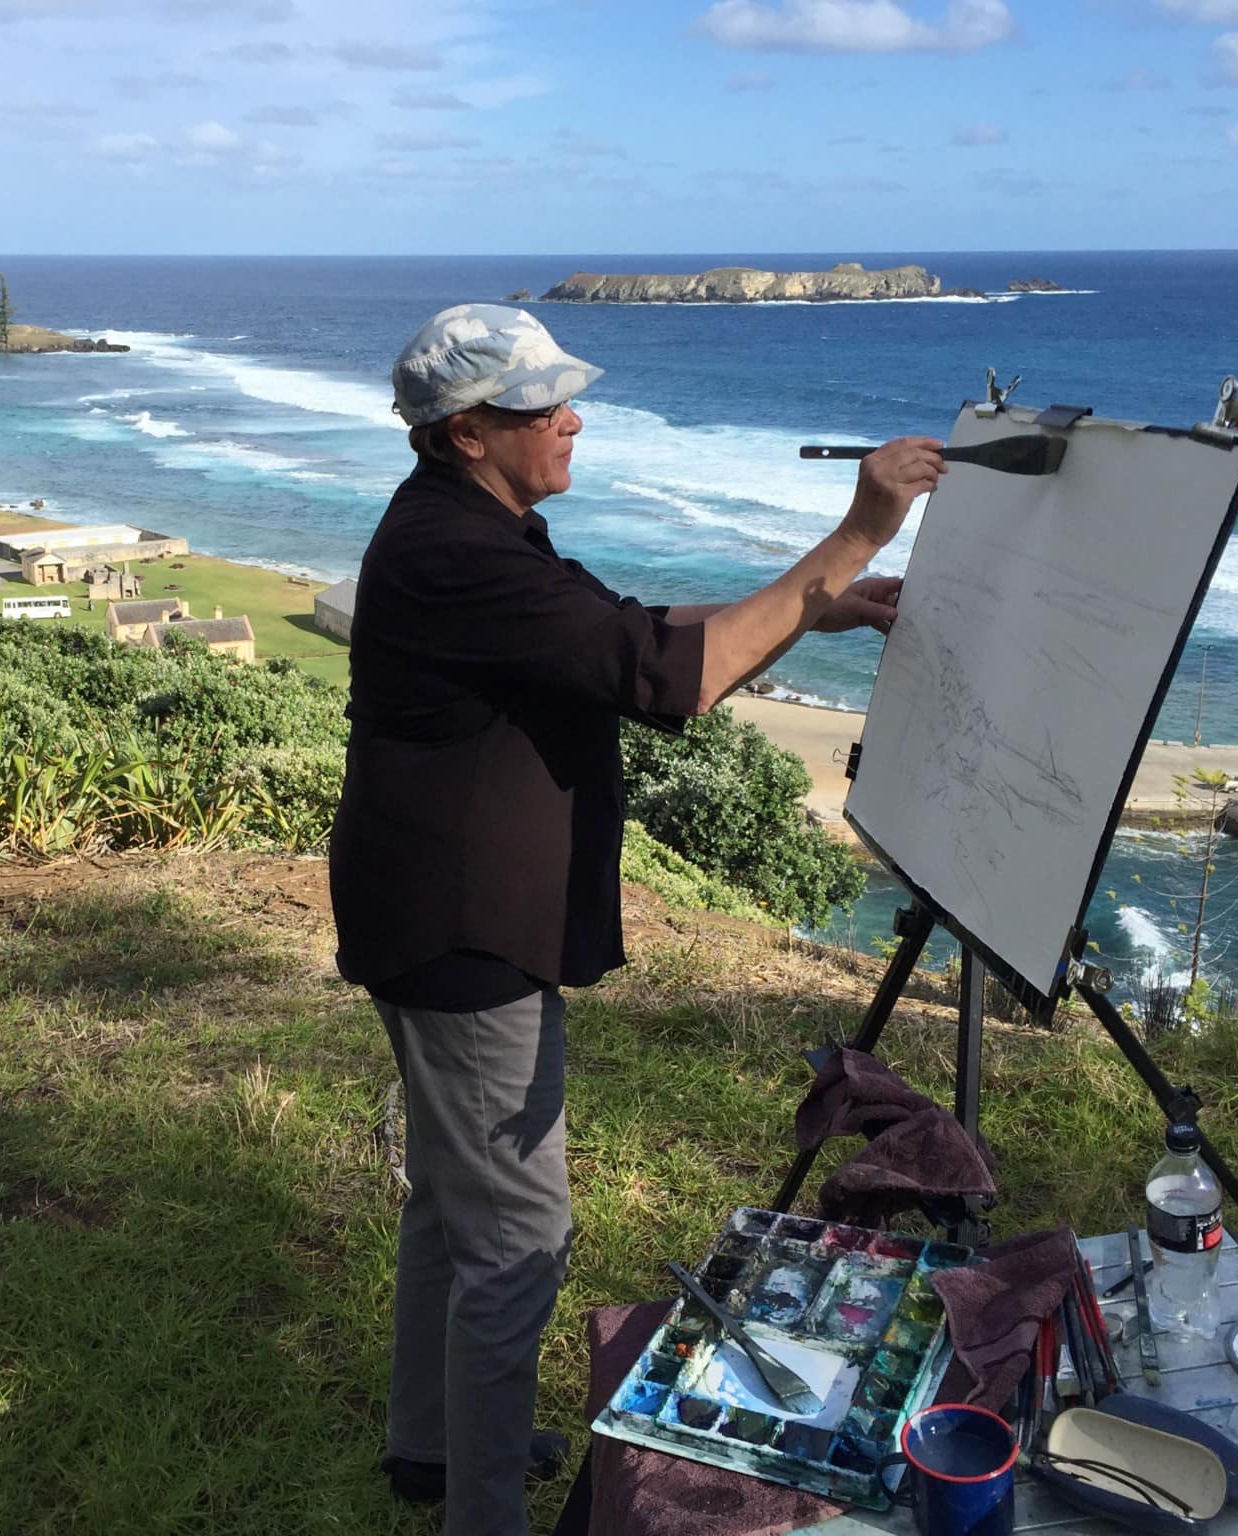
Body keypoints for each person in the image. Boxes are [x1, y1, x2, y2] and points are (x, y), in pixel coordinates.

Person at [328, 303, 942, 1536]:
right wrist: (860, 529)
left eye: (565, 394)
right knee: (515, 1243)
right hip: (460, 932)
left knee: (455, 1206)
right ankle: (481, 1513)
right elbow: (671, 678)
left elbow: (632, 639)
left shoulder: (478, 526)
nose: (569, 417)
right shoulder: (456, 552)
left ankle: (431, 1449)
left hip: (430, 902)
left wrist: (810, 604)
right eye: (539, 404)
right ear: (463, 435)